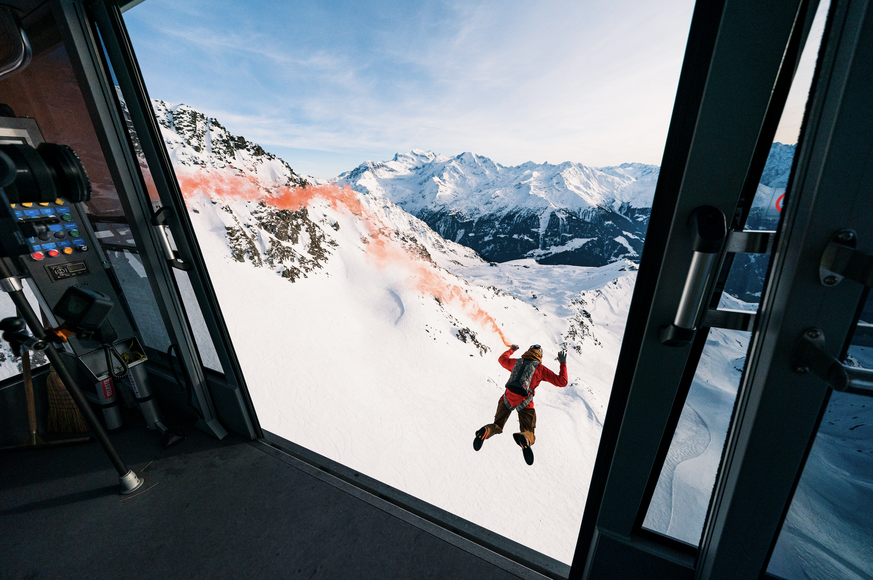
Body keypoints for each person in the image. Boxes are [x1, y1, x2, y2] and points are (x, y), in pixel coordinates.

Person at [473, 344, 568, 465]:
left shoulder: (517, 362)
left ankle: (486, 431)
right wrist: (563, 363)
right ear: (540, 355)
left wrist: (511, 350)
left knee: (497, 425)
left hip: (507, 397)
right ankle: (525, 438)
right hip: (525, 402)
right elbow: (562, 382)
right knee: (528, 430)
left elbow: (501, 360)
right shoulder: (540, 368)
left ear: (529, 351)